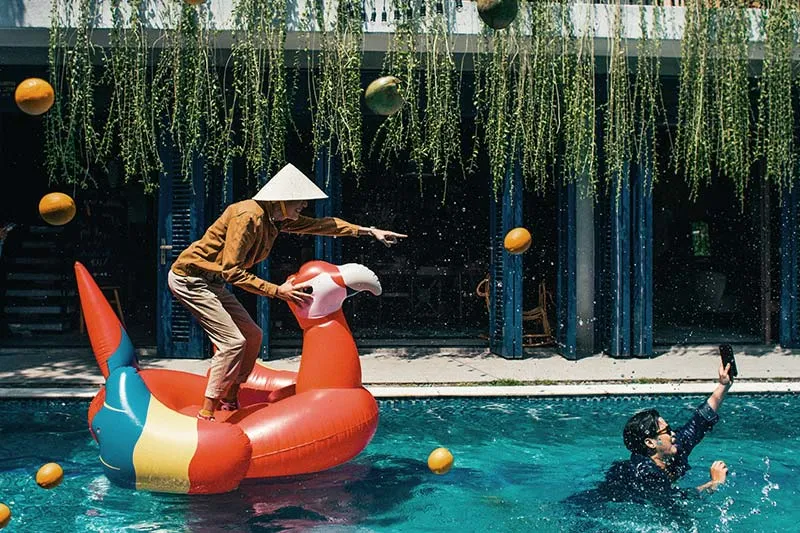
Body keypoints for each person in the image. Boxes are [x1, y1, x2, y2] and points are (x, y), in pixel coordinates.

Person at [168, 163, 407, 421]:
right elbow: (232, 272)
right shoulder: (248, 216)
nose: (303, 207)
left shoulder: (275, 221)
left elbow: (323, 225)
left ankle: (230, 395)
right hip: (191, 280)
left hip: (213, 282)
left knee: (253, 335)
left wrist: (369, 231)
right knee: (233, 342)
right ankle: (207, 411)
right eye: (300, 203)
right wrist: (278, 291)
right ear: (281, 201)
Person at [598, 362, 733, 502]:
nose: (673, 434)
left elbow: (700, 421)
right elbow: (673, 500)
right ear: (650, 442)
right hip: (609, 502)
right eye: (667, 431)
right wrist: (714, 483)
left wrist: (724, 385)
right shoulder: (645, 473)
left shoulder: (673, 449)